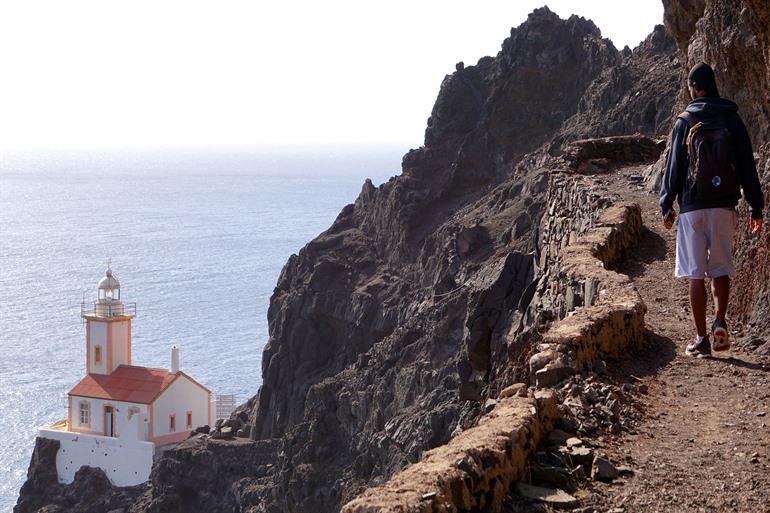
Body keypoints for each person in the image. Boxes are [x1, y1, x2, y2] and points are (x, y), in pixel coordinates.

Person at [660, 62, 764, 357]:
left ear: (695, 88)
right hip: (724, 206)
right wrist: (756, 207)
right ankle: (719, 320)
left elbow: (674, 168)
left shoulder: (684, 121)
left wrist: (667, 204)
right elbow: (746, 166)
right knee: (720, 269)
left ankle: (701, 339)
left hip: (692, 207)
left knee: (696, 275)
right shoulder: (731, 119)